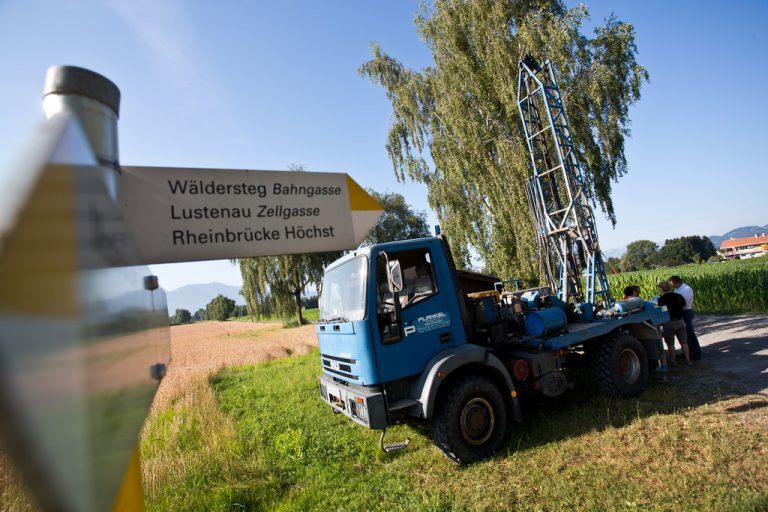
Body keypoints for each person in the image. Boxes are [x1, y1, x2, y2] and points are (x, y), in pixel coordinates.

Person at [657, 281, 692, 366]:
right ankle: (688, 360)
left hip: (669, 322)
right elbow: (684, 306)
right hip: (680, 321)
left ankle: (673, 361)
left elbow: (661, 311)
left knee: (670, 344)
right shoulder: (678, 296)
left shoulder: (661, 299)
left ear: (662, 289)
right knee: (684, 343)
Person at [670, 275, 702, 361]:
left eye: (671, 283)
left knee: (690, 334)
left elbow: (684, 303)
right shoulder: (677, 289)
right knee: (684, 335)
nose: (671, 285)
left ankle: (696, 354)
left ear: (675, 282)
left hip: (686, 312)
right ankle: (688, 352)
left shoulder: (686, 289)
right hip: (680, 312)